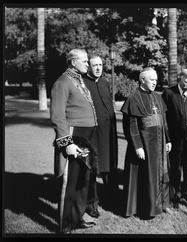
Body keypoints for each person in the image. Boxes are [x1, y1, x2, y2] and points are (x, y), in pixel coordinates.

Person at [50, 49, 97, 234]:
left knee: (82, 181)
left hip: (86, 136)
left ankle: (77, 219)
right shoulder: (62, 82)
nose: (88, 64)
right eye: (84, 61)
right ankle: (64, 224)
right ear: (72, 62)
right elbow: (57, 115)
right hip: (73, 136)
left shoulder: (79, 80)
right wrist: (67, 143)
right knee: (69, 183)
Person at [120, 67, 174, 218]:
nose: (155, 83)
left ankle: (164, 203)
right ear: (142, 80)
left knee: (163, 173)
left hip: (160, 143)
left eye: (156, 80)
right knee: (147, 177)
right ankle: (149, 208)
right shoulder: (133, 99)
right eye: (152, 80)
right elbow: (131, 127)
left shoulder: (158, 96)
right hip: (145, 145)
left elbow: (164, 121)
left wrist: (168, 140)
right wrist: (137, 146)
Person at [82, 55, 119, 215]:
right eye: (94, 65)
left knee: (110, 166)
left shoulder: (104, 82)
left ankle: (113, 200)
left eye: (100, 65)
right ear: (89, 67)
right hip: (93, 134)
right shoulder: (83, 83)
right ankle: (92, 205)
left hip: (109, 133)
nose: (98, 68)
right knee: (92, 168)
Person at [162, 68, 187, 209]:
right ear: (180, 78)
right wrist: (167, 139)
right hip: (175, 138)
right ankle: (175, 195)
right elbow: (164, 118)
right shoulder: (168, 93)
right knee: (176, 167)